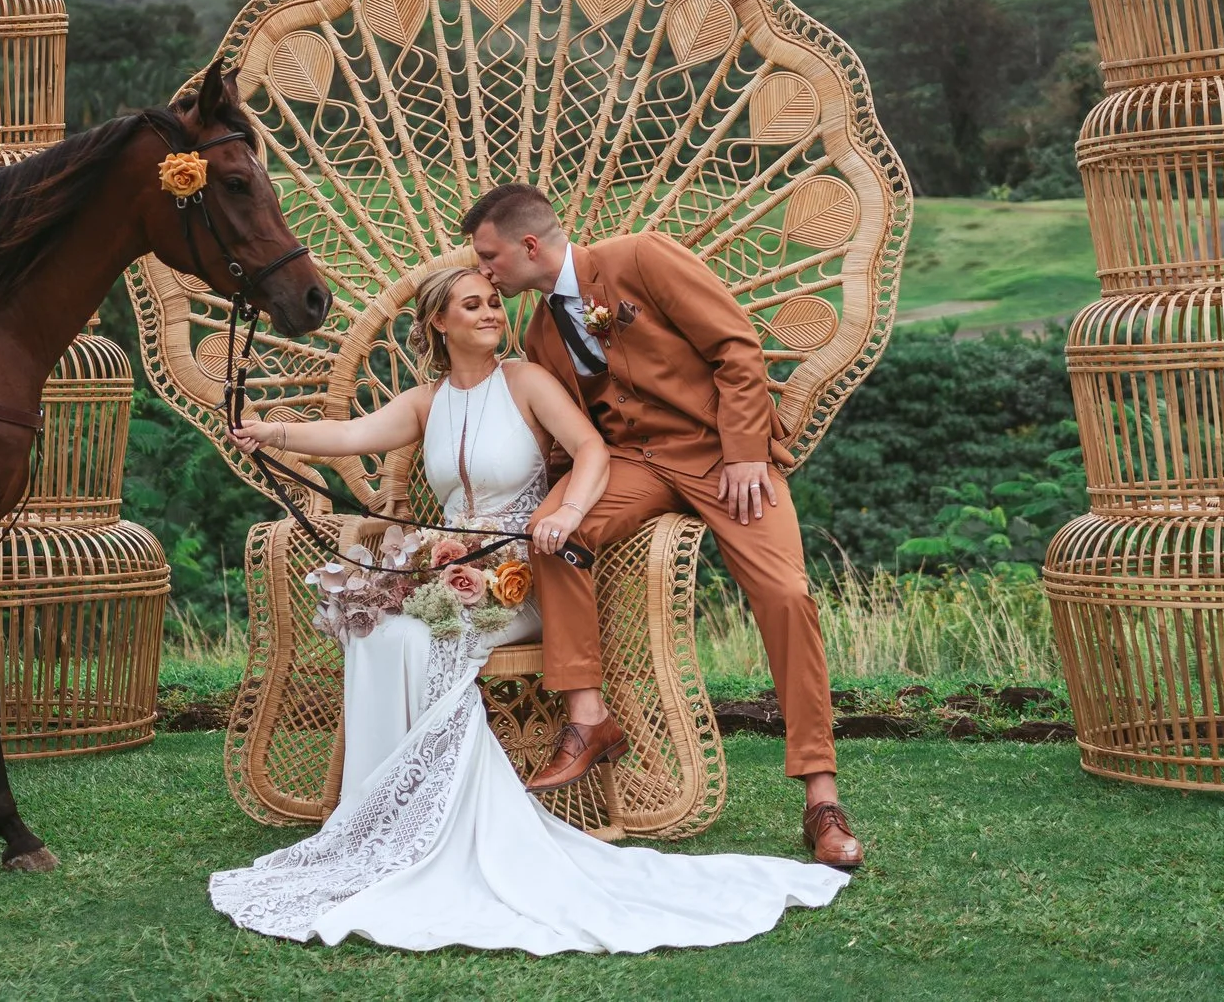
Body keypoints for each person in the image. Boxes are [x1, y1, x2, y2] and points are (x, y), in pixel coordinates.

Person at [206, 265, 851, 953]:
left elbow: (591, 449)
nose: (492, 312)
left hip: (520, 575)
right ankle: (383, 821)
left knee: (418, 641)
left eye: (493, 302)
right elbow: (351, 433)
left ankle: (442, 821)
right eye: (473, 305)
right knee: (377, 633)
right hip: (448, 566)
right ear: (439, 325)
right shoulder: (426, 401)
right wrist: (271, 434)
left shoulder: (527, 381)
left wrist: (568, 509)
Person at [464, 182, 866, 871]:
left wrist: (744, 452)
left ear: (530, 245)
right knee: (552, 532)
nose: (483, 272)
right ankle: (589, 719)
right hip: (631, 463)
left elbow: (738, 350)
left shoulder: (642, 259)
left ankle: (821, 798)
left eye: (488, 256)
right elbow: (572, 443)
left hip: (720, 455)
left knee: (786, 592)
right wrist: (535, 506)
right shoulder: (536, 333)